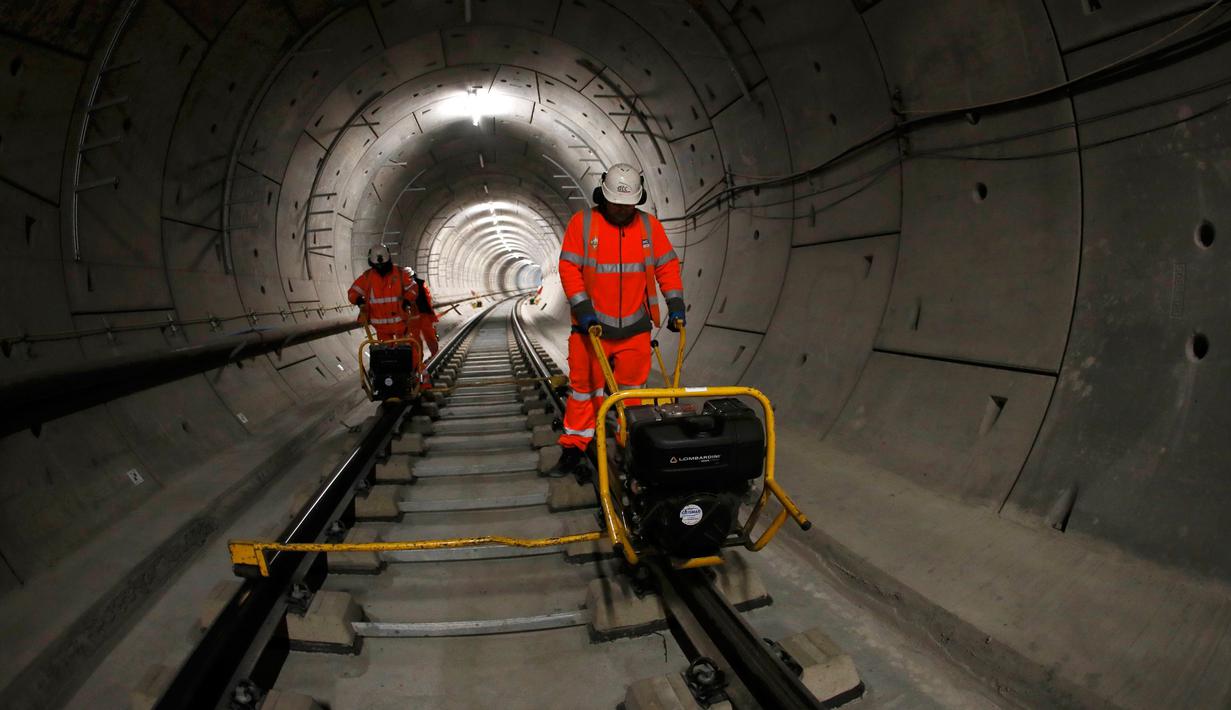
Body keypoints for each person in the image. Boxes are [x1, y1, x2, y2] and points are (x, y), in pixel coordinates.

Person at [554, 163, 686, 475]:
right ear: (603, 196)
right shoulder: (583, 224)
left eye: (628, 205)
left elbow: (666, 265)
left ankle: (630, 445)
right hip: (591, 330)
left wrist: (676, 302)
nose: (622, 210)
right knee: (584, 391)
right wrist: (583, 308)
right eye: (616, 203)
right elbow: (569, 268)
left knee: (634, 394)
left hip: (635, 330)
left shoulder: (649, 227)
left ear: (637, 201)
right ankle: (574, 446)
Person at [348, 244, 419, 344]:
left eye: (383, 265)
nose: (380, 268)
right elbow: (352, 292)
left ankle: (414, 360)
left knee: (407, 351)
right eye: (377, 266)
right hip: (381, 328)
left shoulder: (400, 273)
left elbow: (413, 288)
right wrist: (358, 300)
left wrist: (407, 300)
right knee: (386, 355)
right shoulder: (367, 277)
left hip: (401, 324)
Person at [412, 273, 439, 358]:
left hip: (414, 316)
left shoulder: (401, 285)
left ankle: (419, 359)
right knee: (427, 335)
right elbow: (428, 298)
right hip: (422, 314)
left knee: (416, 338)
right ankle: (433, 355)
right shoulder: (421, 283)